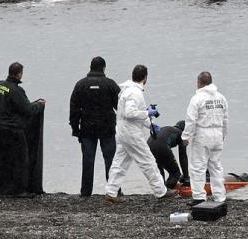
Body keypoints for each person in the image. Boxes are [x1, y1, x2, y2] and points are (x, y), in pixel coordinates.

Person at [104, 65, 178, 203]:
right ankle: (160, 191)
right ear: (145, 78)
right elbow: (130, 113)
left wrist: (150, 124)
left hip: (122, 132)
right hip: (131, 134)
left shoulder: (127, 90)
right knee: (148, 161)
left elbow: (132, 114)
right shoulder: (135, 93)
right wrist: (147, 113)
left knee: (119, 163)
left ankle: (111, 192)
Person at [0, 62, 45, 198]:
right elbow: (28, 110)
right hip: (13, 131)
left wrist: (1, 116)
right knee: (21, 159)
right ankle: (19, 190)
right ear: (19, 74)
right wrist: (39, 105)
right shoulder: (16, 90)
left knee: (3, 159)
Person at [69, 57, 121, 197]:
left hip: (87, 129)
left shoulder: (80, 85)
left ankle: (86, 192)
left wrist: (75, 129)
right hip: (107, 128)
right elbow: (121, 108)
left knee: (88, 160)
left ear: (90, 67)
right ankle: (114, 191)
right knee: (111, 160)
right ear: (104, 68)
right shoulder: (110, 84)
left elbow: (74, 109)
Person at [181, 71, 228, 206]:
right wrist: (224, 133)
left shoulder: (197, 99)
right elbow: (226, 118)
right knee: (216, 166)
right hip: (218, 134)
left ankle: (199, 197)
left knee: (197, 167)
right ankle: (220, 196)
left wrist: (186, 136)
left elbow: (191, 119)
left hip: (202, 134)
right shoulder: (221, 98)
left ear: (199, 82)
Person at [148, 120, 189, 189]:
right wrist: (186, 177)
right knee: (175, 174)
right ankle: (167, 190)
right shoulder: (182, 134)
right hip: (162, 146)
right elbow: (183, 156)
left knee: (159, 172)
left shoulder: (167, 129)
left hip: (148, 146)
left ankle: (161, 191)